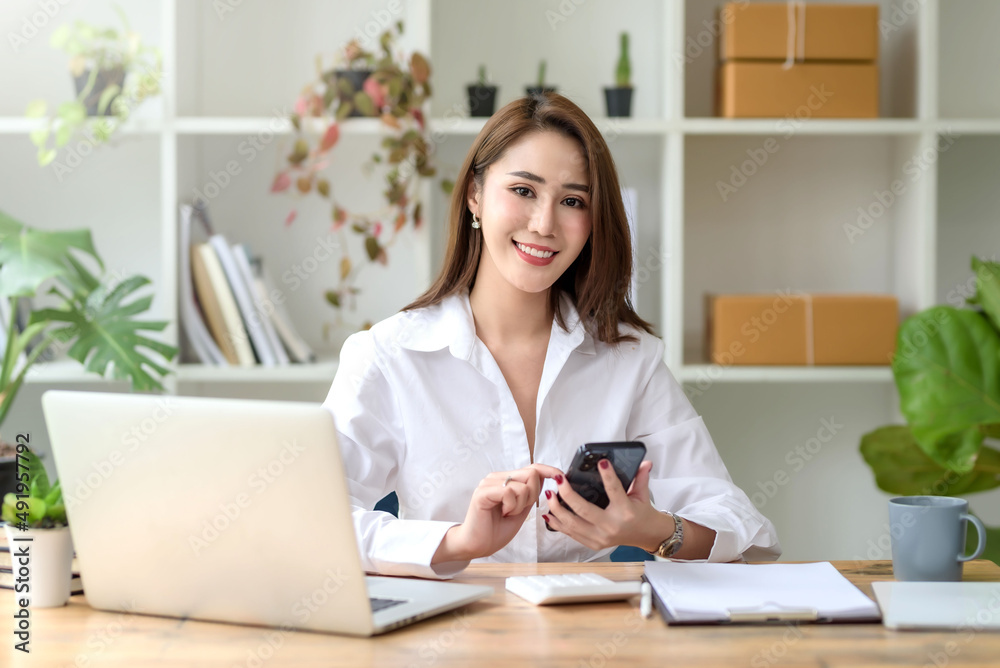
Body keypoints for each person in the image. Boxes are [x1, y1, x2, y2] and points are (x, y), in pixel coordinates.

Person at [322, 93, 780, 578]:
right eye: (523, 190)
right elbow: (315, 521)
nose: (544, 224)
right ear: (475, 196)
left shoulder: (629, 359)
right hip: (450, 639)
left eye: (572, 201)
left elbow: (747, 532)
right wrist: (457, 541)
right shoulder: (389, 354)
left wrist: (649, 529)